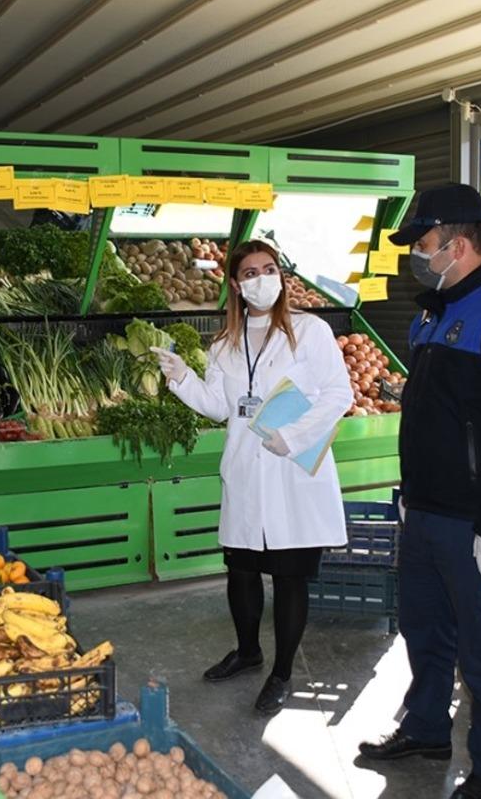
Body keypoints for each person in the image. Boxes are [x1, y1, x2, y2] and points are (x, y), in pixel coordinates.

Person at [357, 184, 481, 799]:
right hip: (423, 508)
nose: (417, 256)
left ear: (458, 245)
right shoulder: (432, 313)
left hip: (470, 521)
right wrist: (410, 491)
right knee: (423, 629)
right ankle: (427, 728)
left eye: (423, 243)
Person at [152, 240, 352, 715]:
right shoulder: (224, 343)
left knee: (289, 576)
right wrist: (182, 379)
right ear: (236, 285)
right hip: (245, 470)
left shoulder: (310, 331)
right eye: (250, 273)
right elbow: (219, 407)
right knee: (241, 570)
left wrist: (293, 435)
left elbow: (339, 393)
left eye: (269, 269)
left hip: (292, 472)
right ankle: (247, 652)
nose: (262, 279)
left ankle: (282, 672)